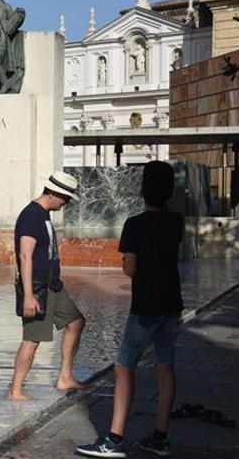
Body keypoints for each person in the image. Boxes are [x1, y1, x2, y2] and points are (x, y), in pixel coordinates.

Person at [77, 161, 183, 458]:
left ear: (142, 190)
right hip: (172, 304)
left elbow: (130, 268)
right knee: (165, 367)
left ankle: (114, 439)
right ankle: (160, 437)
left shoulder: (135, 225)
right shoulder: (177, 220)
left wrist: (127, 264)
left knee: (124, 367)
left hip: (146, 305)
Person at [8, 171, 87, 401]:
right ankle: (16, 390)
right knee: (32, 339)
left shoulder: (43, 214)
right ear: (54, 193)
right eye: (66, 198)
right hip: (37, 287)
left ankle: (65, 377)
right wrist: (29, 296)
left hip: (53, 285)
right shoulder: (32, 215)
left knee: (75, 322)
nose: (67, 203)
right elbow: (25, 255)